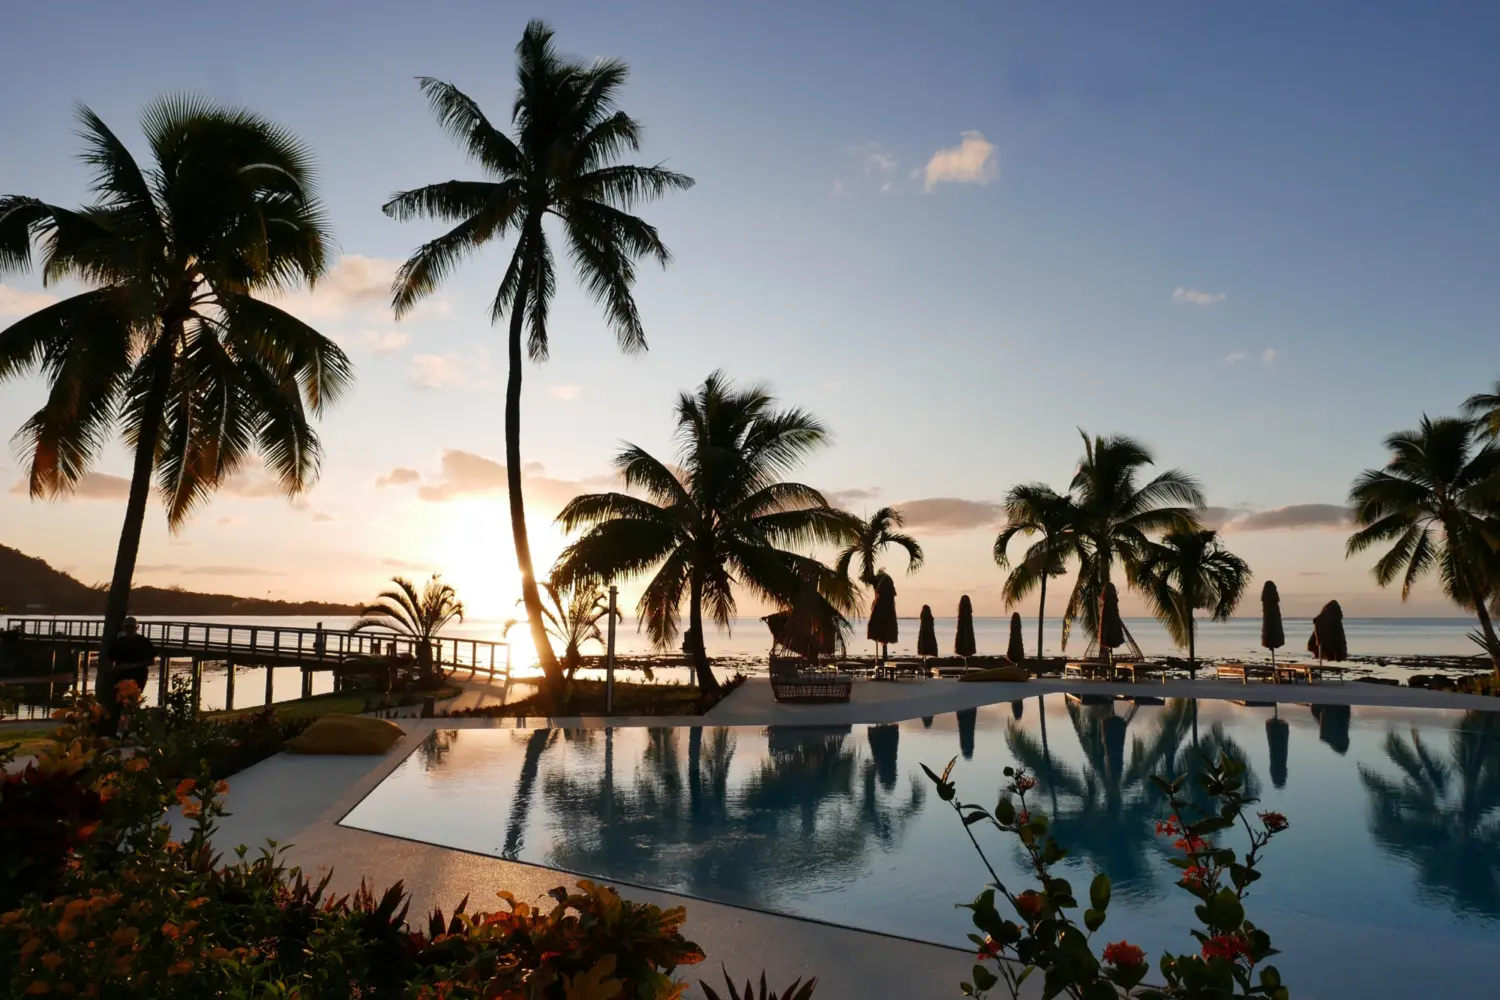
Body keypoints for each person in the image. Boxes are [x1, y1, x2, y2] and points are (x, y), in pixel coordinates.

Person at [105, 617, 156, 733]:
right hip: (121, 676)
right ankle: (119, 730)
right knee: (120, 703)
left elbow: (152, 661)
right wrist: (113, 668)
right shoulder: (118, 642)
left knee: (133, 702)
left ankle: (132, 729)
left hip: (138, 676)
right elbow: (109, 659)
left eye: (132, 627)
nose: (130, 629)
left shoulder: (143, 642)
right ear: (123, 628)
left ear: (137, 628)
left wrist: (133, 666)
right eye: (127, 627)